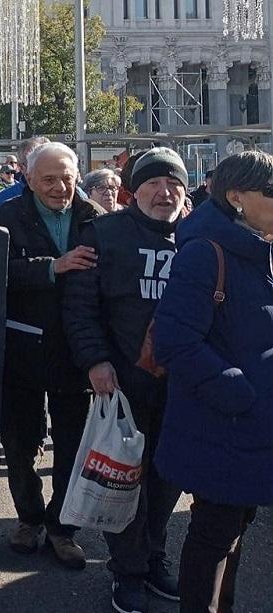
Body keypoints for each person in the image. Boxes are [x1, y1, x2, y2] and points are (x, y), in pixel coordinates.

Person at [63, 147, 189, 613]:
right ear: (134, 191)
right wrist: (96, 361)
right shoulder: (104, 234)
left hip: (183, 387)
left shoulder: (196, 237)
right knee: (125, 482)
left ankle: (154, 557)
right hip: (123, 386)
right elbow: (80, 307)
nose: (164, 192)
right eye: (154, 183)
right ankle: (128, 570)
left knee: (168, 479)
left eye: (173, 183)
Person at [152, 150, 273, 613]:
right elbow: (175, 342)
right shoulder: (206, 253)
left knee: (233, 531)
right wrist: (238, 391)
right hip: (222, 424)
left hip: (251, 426)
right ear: (236, 196)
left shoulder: (259, 248)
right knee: (214, 536)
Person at [0, 142, 101, 571]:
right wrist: (52, 267)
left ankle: (62, 528)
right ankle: (29, 518)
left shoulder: (95, 218)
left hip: (75, 350)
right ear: (29, 179)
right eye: (49, 180)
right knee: (19, 443)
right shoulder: (7, 216)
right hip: (21, 349)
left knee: (72, 445)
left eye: (67, 178)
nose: (59, 188)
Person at [0, 137, 50, 213]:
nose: (45, 169)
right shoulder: (2, 201)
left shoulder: (60, 194)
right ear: (21, 167)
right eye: (35, 163)